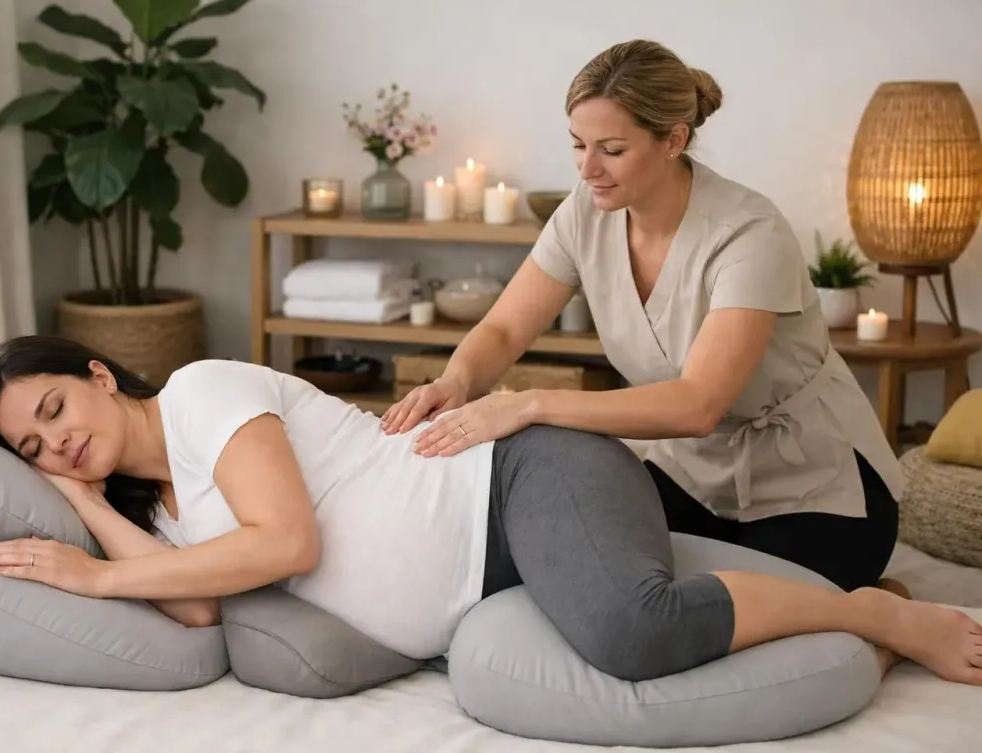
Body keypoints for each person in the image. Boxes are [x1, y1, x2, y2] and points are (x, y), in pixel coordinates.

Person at [0, 335, 982, 685]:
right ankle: (855, 600)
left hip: (519, 475)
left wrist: (95, 573)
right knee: (645, 593)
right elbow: (192, 608)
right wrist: (79, 497)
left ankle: (877, 611)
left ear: (97, 371)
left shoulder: (199, 392)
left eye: (56, 409)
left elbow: (285, 541)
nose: (60, 438)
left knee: (632, 626)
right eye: (33, 445)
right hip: (493, 567)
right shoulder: (161, 511)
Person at [382, 38, 904, 597]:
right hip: (692, 475)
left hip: (817, 487)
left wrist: (527, 404)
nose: (588, 169)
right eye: (578, 145)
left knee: (723, 608)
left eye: (611, 149)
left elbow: (698, 404)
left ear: (673, 139)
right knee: (595, 576)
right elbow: (506, 327)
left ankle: (884, 614)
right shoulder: (583, 214)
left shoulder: (750, 234)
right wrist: (456, 381)